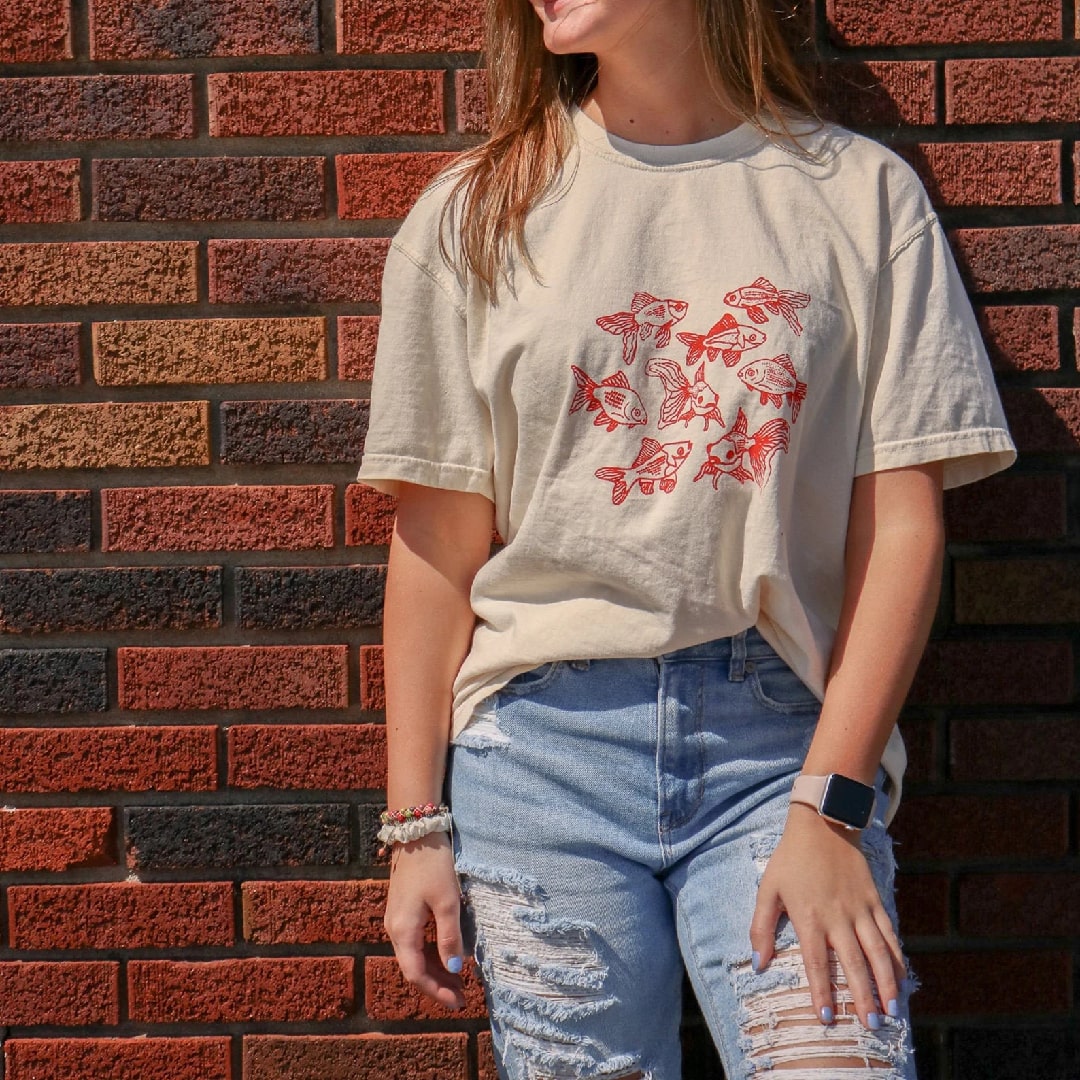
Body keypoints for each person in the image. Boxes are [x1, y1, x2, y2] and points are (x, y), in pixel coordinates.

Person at [356, 1, 1016, 1076]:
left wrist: (833, 807)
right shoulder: (474, 214)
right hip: (538, 758)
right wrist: (414, 828)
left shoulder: (856, 196)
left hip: (779, 750)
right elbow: (436, 546)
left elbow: (902, 527)